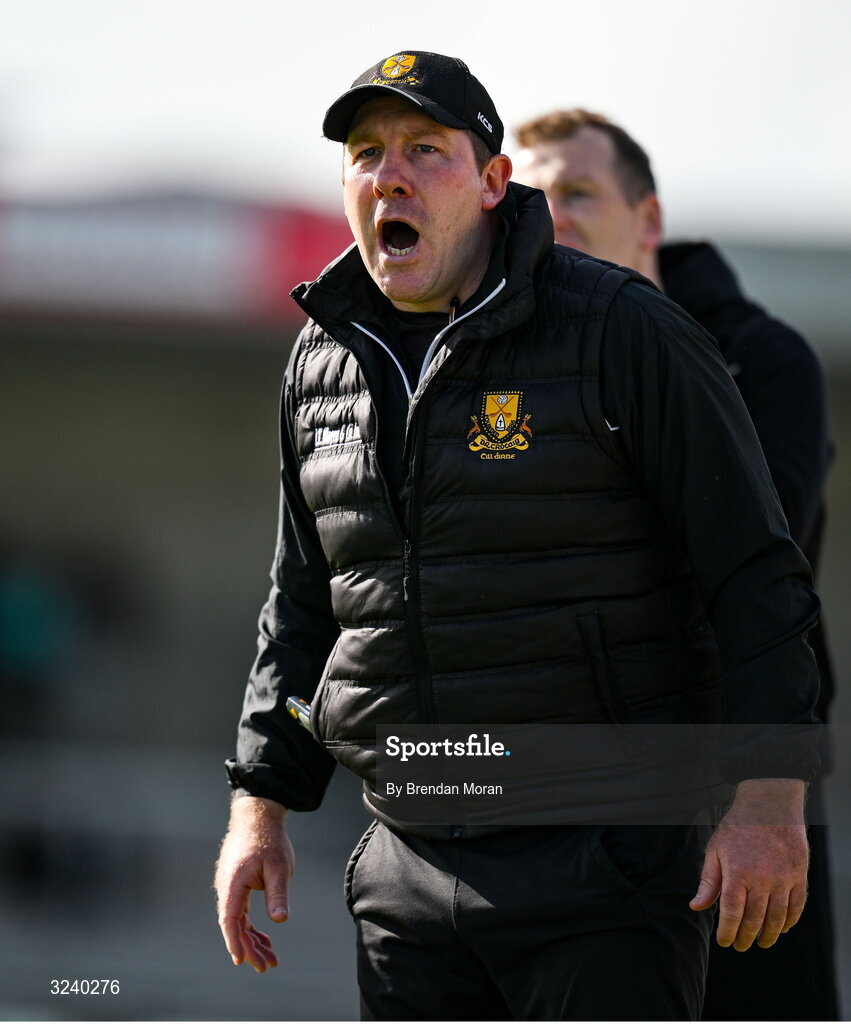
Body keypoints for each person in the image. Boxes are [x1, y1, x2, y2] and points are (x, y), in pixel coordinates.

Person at [214, 51, 822, 1021]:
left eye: (424, 149)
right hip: (407, 858)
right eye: (366, 153)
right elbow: (304, 606)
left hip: (604, 856)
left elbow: (753, 573)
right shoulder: (319, 360)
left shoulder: (623, 328)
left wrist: (765, 798)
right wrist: (261, 802)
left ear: (495, 184)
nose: (390, 175)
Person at [513, 107, 838, 1022]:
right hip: (551, 791)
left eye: (578, 192)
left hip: (732, 787)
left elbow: (742, 557)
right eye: (534, 200)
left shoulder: (759, 360)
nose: (556, 217)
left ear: (646, 220)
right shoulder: (501, 364)